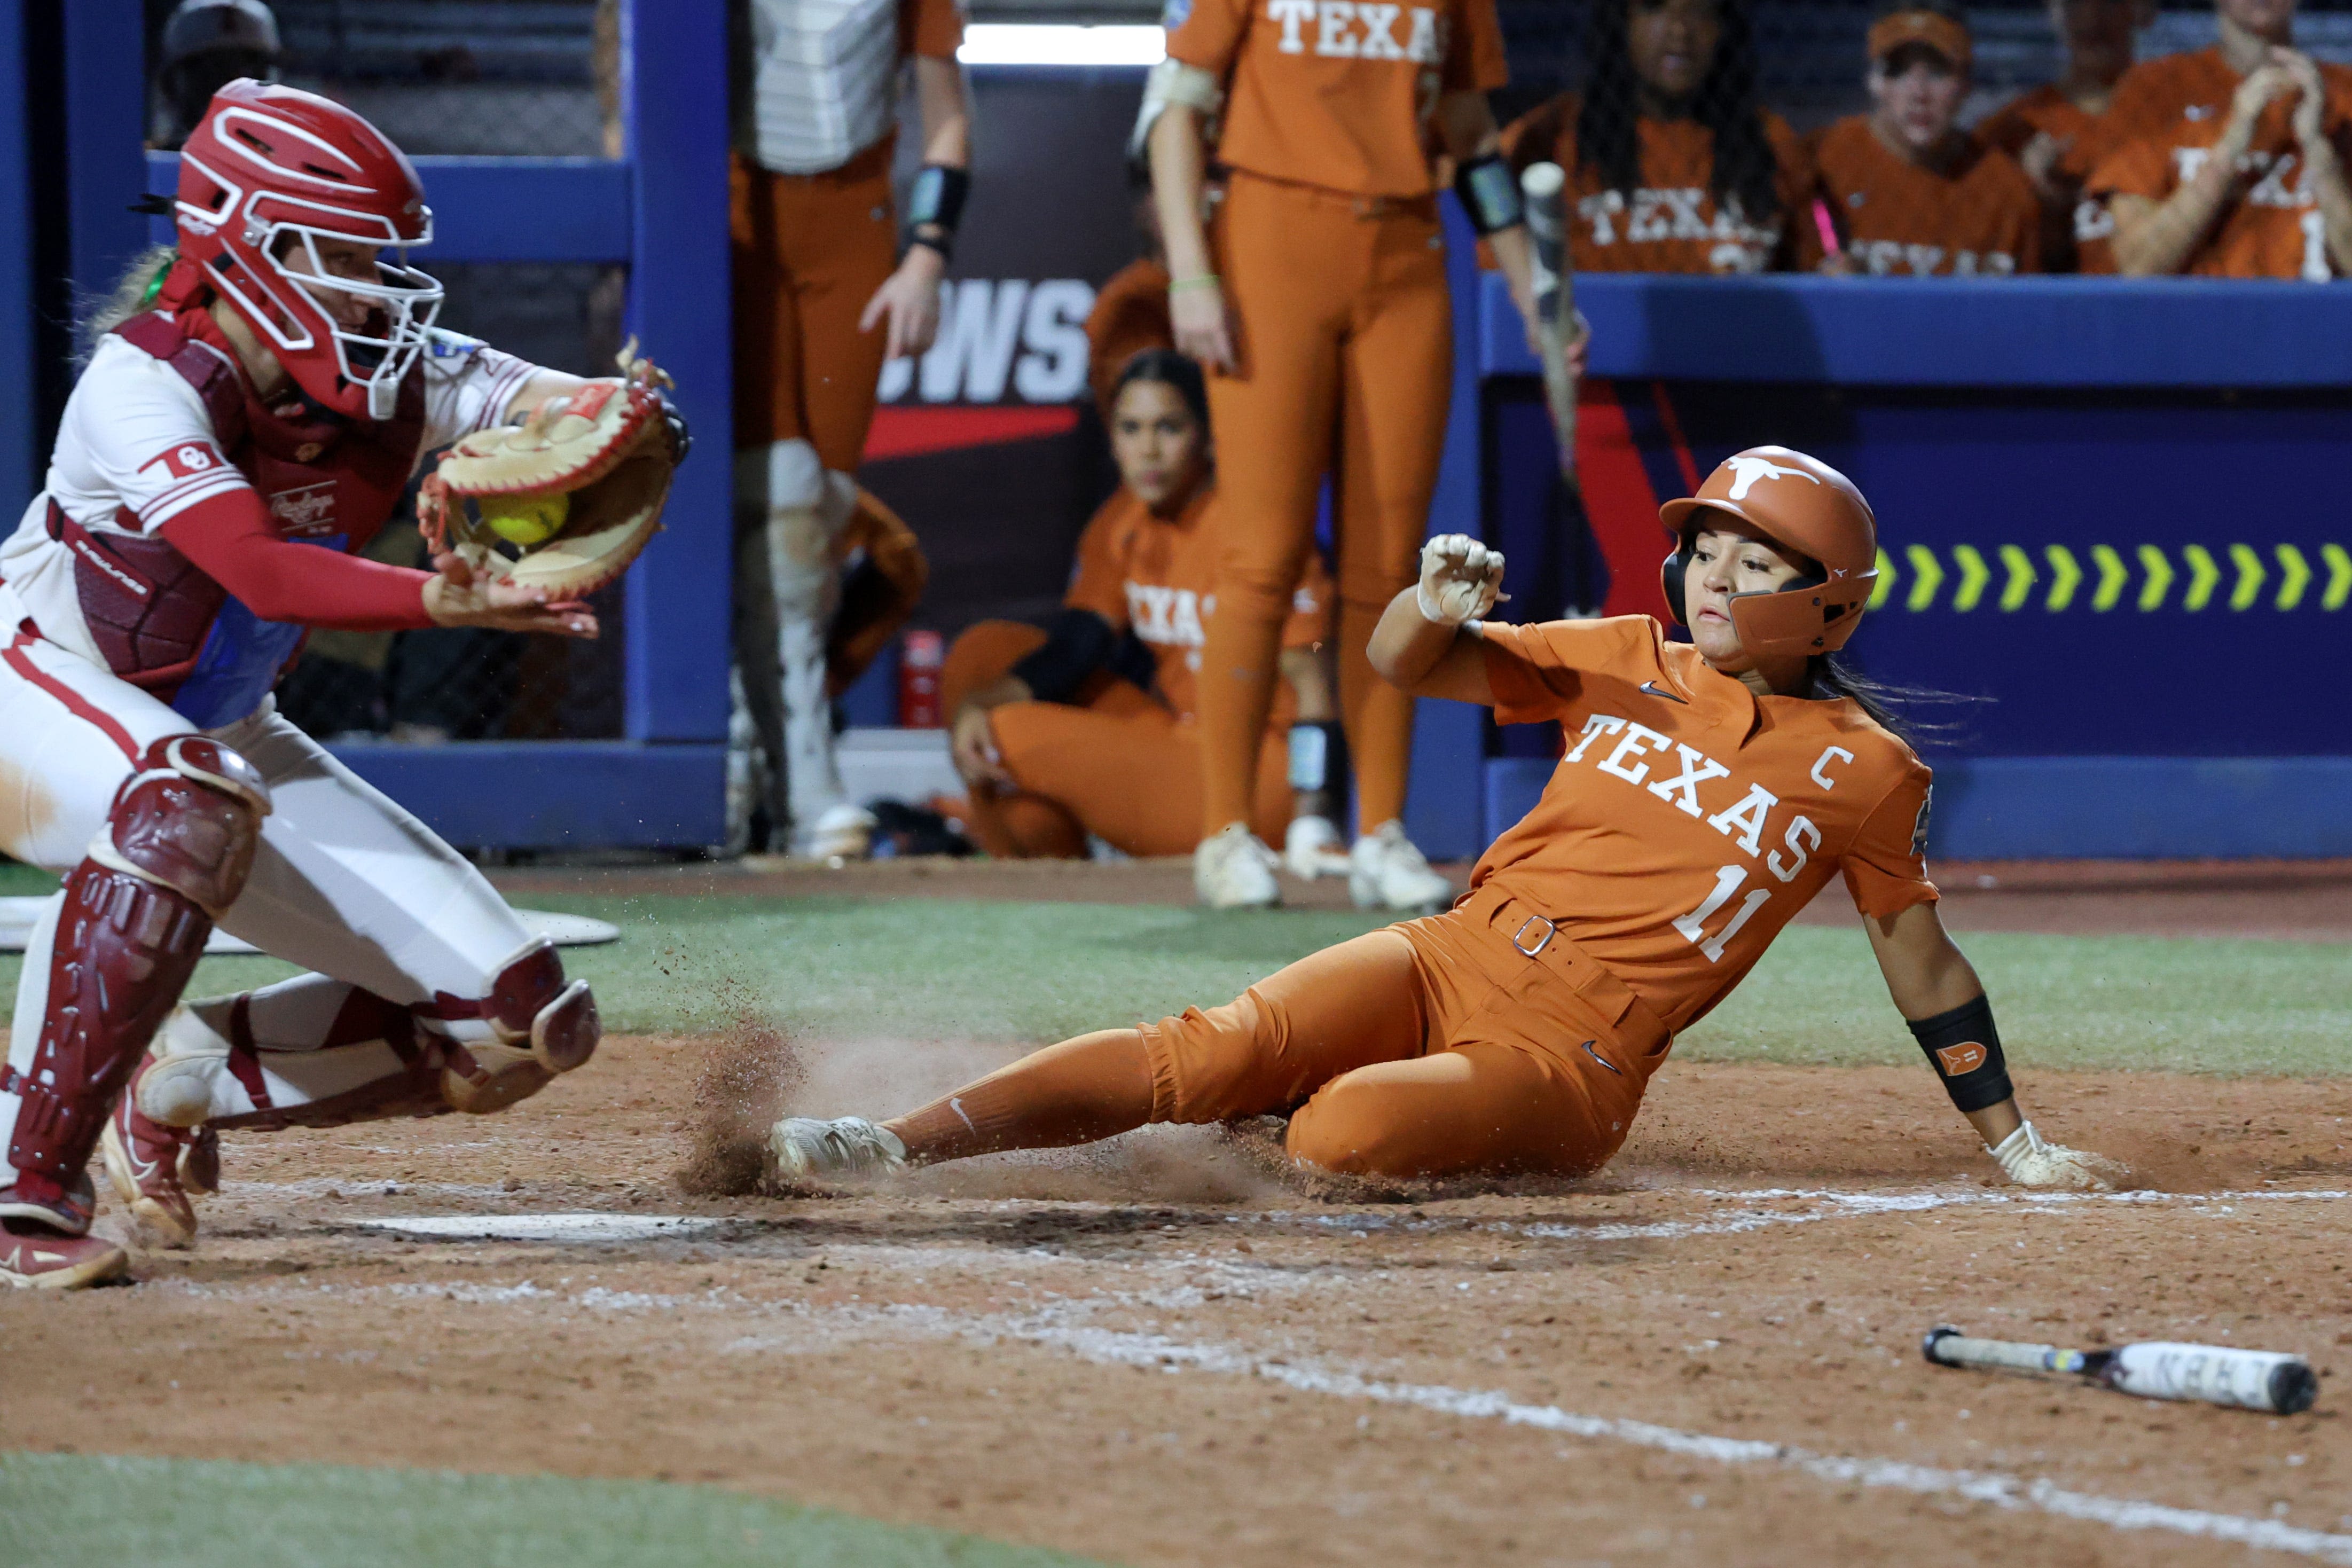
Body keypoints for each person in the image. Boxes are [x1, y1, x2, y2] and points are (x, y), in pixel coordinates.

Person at [765, 447, 2118, 1196]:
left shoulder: (1866, 769)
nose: (1713, 575)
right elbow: (1406, 666)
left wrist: (2014, 1139)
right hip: (1452, 952)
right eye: (1705, 545)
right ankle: (898, 1140)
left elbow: (1922, 963)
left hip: (1573, 1059)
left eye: (1751, 560)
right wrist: (1430, 596)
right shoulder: (1626, 654)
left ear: (1827, 602)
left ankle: (1278, 1118)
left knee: (1341, 1134)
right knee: (1213, 1046)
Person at [0, 83, 669, 1288]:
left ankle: (173, 1079)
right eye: (346, 254)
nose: (377, 286)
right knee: (185, 794)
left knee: (515, 1024)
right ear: (249, 245)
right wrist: (440, 598)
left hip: (216, 729)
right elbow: (253, 563)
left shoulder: (395, 367)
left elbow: (565, 407)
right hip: (35, 682)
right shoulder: (142, 381)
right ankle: (23, 1181)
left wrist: (629, 413)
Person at [1142, 0, 1547, 910]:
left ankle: (1381, 832)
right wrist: (1189, 267)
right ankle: (1223, 834)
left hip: (1405, 250)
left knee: (1391, 561)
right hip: (1267, 240)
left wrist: (1530, 287)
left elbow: (1470, 136)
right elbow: (1176, 112)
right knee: (1261, 557)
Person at [939, 350, 1349, 872]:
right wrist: (978, 701)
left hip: (1260, 775)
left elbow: (1317, 691)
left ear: (1207, 436)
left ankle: (1247, 839)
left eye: (1169, 428)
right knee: (982, 656)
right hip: (1176, 739)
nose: (1148, 450)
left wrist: (1312, 821)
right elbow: (1077, 645)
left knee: (1005, 734)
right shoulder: (1124, 517)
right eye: (1131, 429)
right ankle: (1047, 867)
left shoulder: (1253, 524)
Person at [730, 0, 970, 859]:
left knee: (819, 510)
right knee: (772, 493)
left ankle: (778, 765)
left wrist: (928, 255)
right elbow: (636, 77)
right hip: (733, 210)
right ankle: (791, 774)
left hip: (855, 225)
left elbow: (946, 121)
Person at [1501, 0, 1816, 275]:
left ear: (1724, 30)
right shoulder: (1553, 138)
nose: (1680, 30)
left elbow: (1816, 271)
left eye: (1701, 11)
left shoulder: (1771, 143)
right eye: (1654, 7)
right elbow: (1495, 253)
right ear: (1621, 22)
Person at [2091, 0, 2352, 278]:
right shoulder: (2152, 90)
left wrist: (2319, 150)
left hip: (2318, 317)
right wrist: (2228, 151)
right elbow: (2137, 268)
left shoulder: (2344, 94)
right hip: (2192, 317)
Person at [1811, 4, 2044, 276]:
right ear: (1874, 82)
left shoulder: (2004, 190)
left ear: (1966, 84)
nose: (1919, 93)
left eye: (1938, 72)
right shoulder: (1825, 163)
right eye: (1898, 71)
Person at [1973, 0, 2153, 273]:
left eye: (2109, 3)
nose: (2092, 17)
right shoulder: (2012, 130)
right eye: (2075, 4)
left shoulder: (2180, 117)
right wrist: (2033, 199)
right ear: (2054, 11)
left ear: (2142, 8)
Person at [1083, 160, 1175, 424]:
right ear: (1143, 209)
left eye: (1217, 178)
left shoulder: (1253, 285)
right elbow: (1150, 430)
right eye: (1166, 187)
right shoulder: (1132, 301)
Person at [150, 0, 279, 151]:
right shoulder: (139, 169)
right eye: (208, 70)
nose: (231, 86)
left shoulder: (295, 168)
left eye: (251, 67)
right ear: (170, 84)